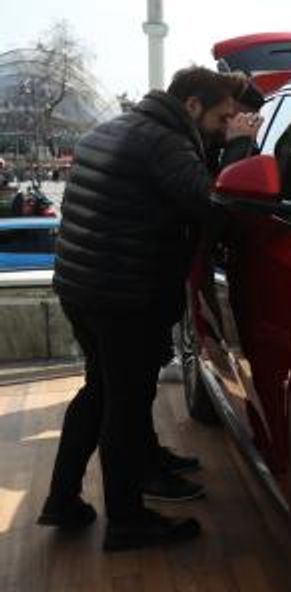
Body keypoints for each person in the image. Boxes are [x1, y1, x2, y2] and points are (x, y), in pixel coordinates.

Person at [37, 66, 255, 550]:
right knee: (125, 404)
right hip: (122, 294)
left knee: (100, 391)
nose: (225, 126)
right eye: (222, 118)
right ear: (192, 106)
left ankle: (62, 499)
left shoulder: (120, 127)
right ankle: (127, 521)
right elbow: (216, 204)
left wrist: (227, 131)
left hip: (83, 285)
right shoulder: (164, 143)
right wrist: (240, 147)